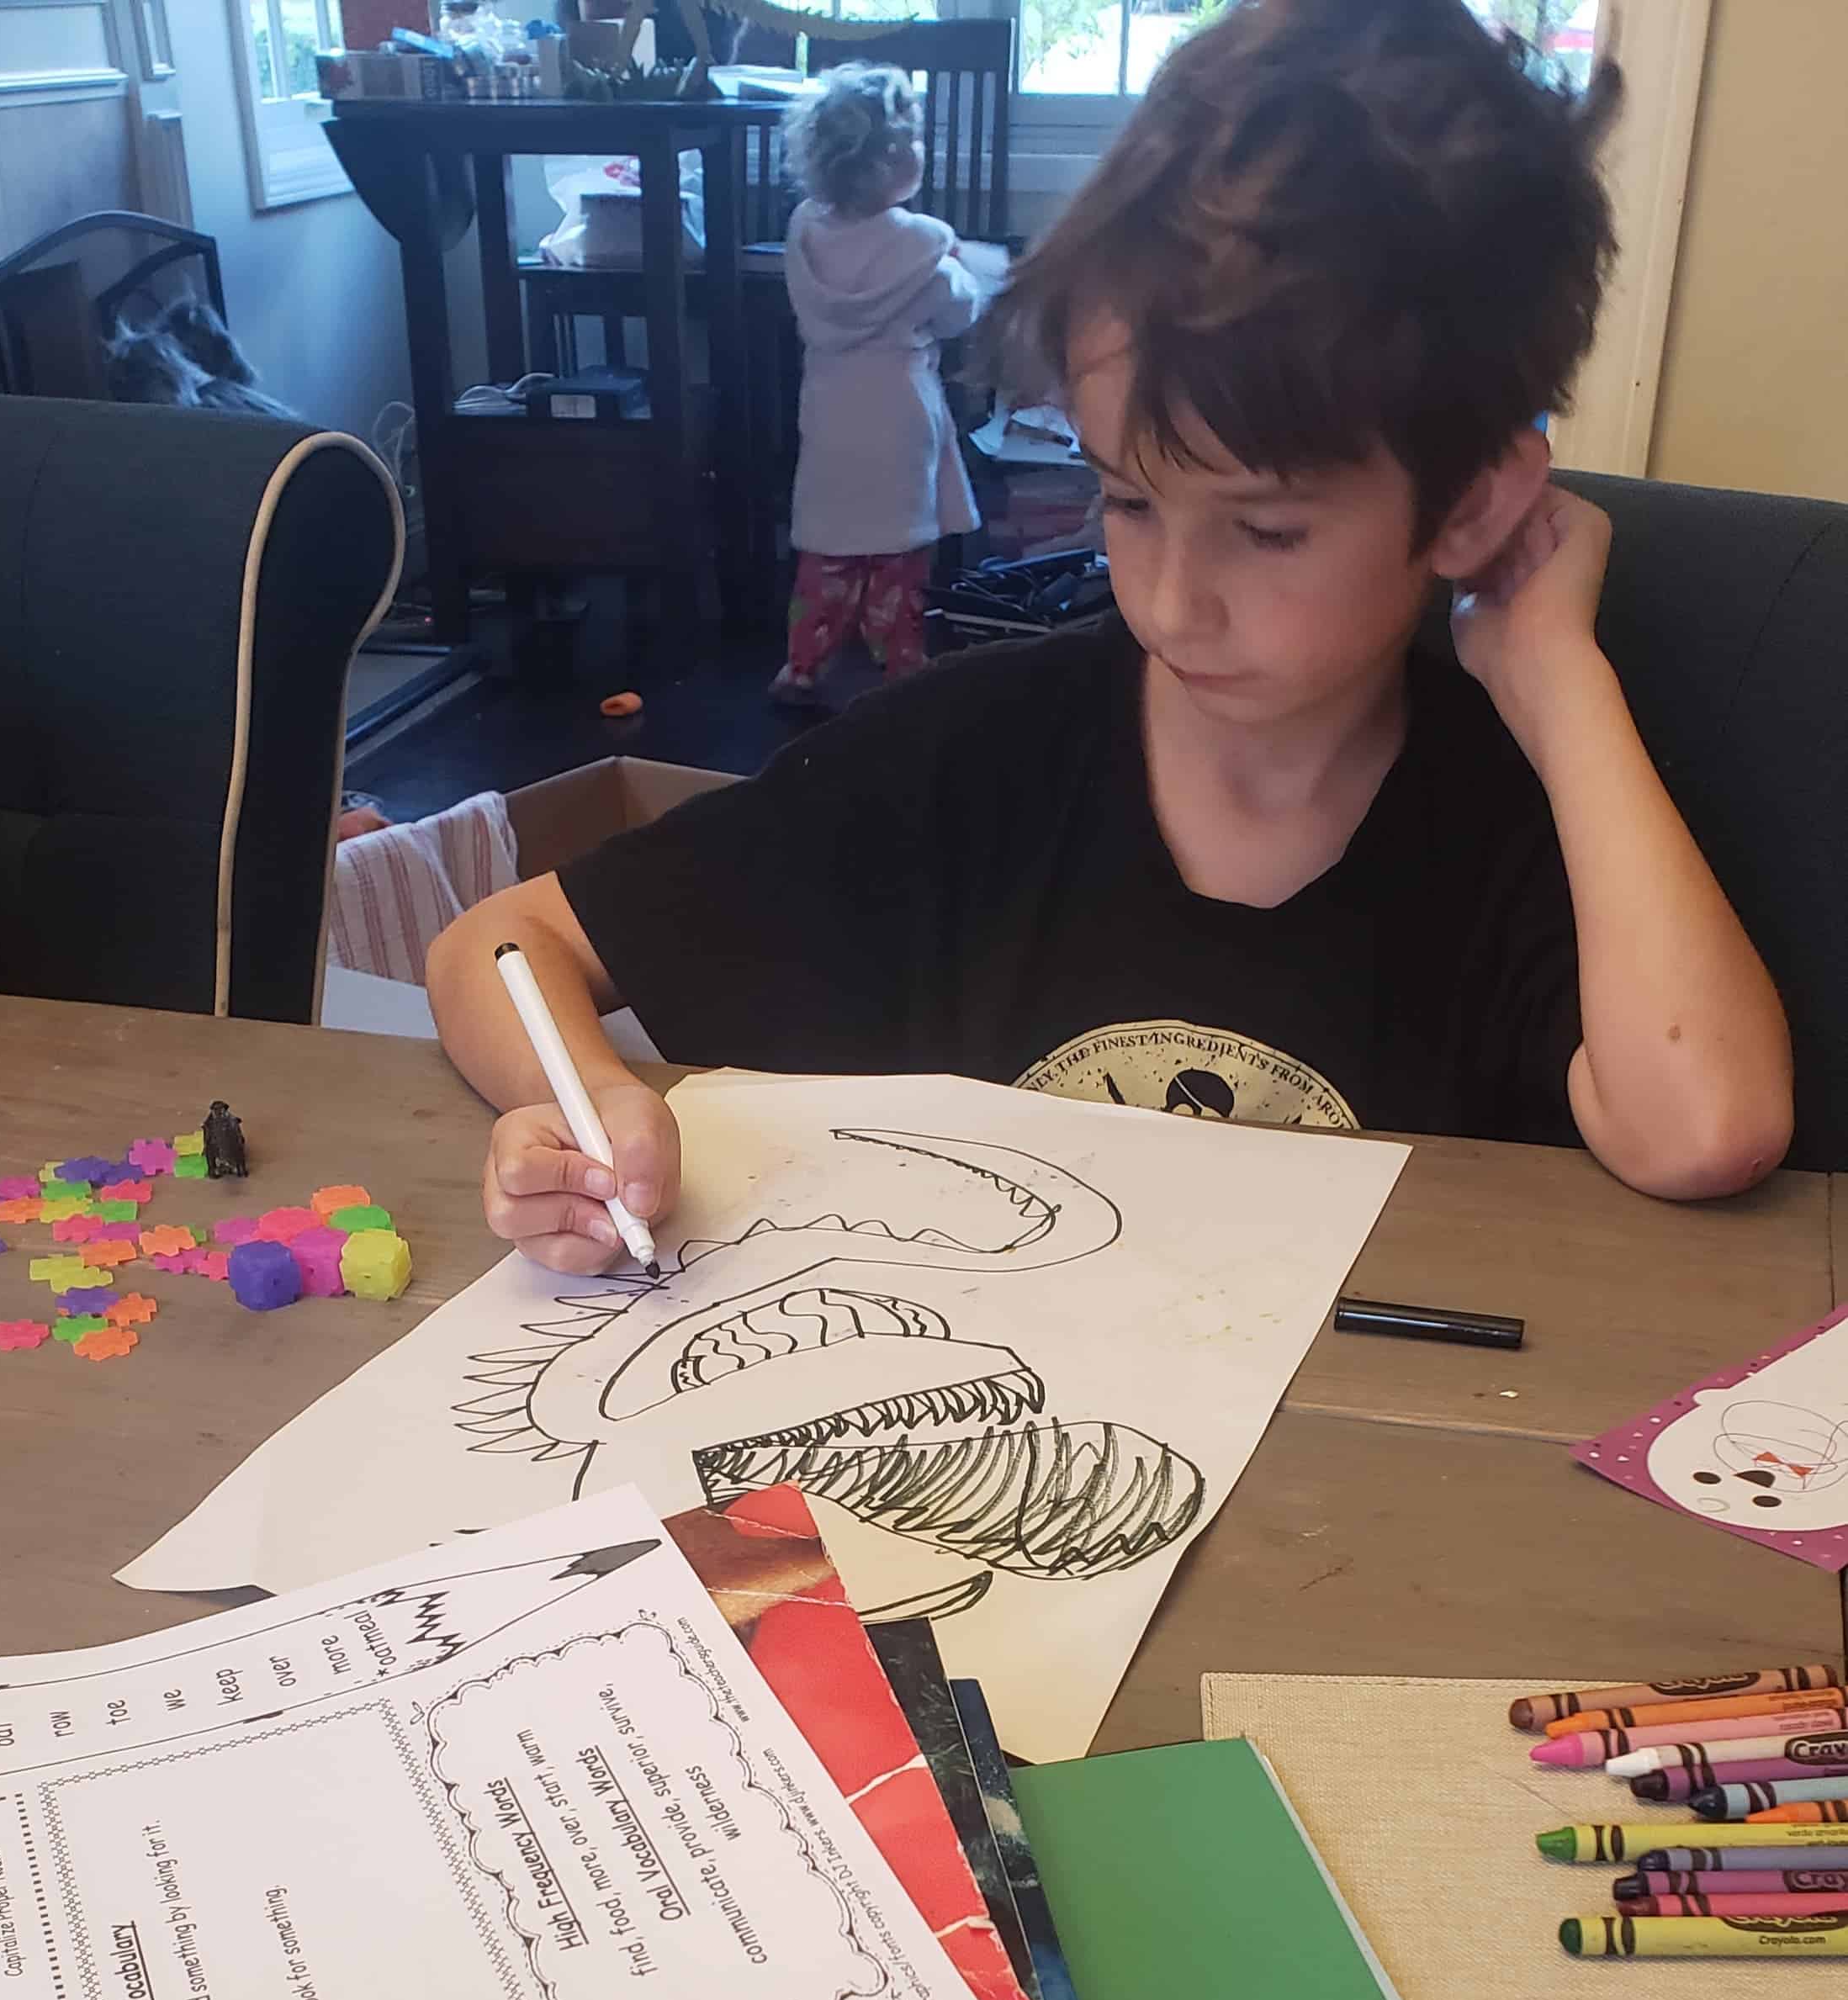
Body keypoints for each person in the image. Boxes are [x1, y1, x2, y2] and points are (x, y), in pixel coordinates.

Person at [427, 0, 1794, 1279]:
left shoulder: (1510, 825)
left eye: (1264, 532)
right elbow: (493, 948)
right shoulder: (969, 754)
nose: (1169, 601)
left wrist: (1554, 676)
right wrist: (588, 1103)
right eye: (1130, 500)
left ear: (1471, 500)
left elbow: (1703, 1126)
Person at [770, 62, 983, 703]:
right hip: (898, 415)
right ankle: (902, 665)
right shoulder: (922, 248)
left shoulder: (805, 230)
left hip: (830, 411)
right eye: (913, 140)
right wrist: (963, 273)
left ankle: (802, 665)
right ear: (889, 160)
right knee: (897, 553)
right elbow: (960, 309)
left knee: (829, 549)